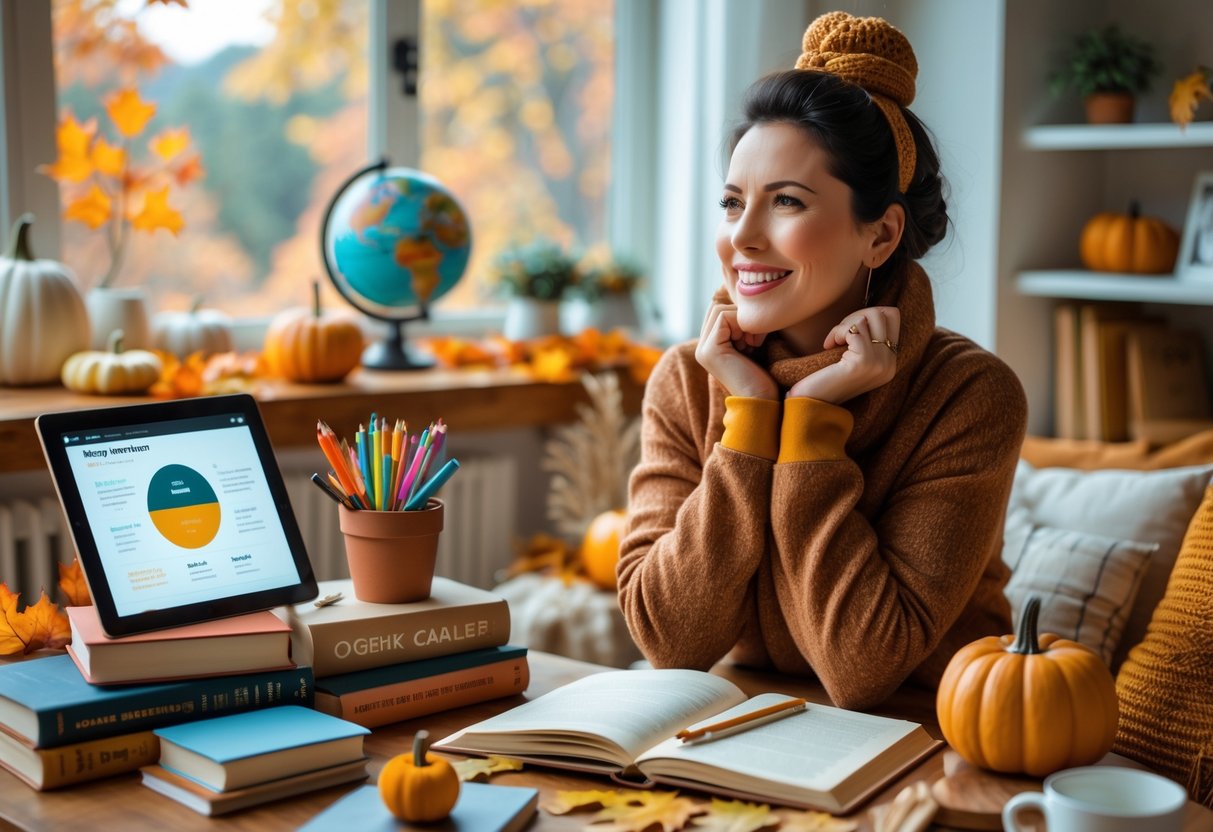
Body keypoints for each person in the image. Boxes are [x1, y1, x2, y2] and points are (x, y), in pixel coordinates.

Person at [618, 11, 1027, 710]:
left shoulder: (970, 395)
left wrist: (808, 420)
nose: (741, 237)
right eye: (731, 202)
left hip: (926, 742)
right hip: (745, 732)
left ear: (880, 234)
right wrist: (749, 417)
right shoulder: (689, 378)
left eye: (785, 202)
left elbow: (864, 668)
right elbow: (666, 638)